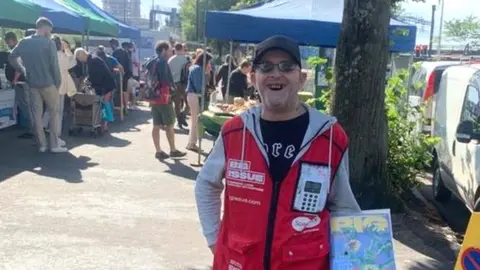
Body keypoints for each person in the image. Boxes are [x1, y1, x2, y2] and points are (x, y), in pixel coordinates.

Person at [195, 35, 361, 269]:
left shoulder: (331, 136)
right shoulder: (234, 132)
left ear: (301, 78)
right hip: (240, 262)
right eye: (266, 67)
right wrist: (214, 239)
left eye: (286, 66)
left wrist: (353, 260)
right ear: (253, 78)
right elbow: (206, 184)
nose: (276, 73)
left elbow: (343, 206)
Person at [9, 17, 65, 153]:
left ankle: (42, 145)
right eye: (49, 30)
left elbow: (11, 57)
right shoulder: (49, 43)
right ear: (44, 28)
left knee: (37, 115)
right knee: (54, 113)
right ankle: (54, 144)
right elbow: (54, 66)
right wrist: (58, 83)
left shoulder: (23, 42)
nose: (50, 33)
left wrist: (23, 70)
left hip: (32, 83)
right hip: (48, 83)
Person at [144, 41, 187, 160]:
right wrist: (174, 93)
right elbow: (166, 81)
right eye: (169, 50)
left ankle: (158, 151)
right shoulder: (162, 62)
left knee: (156, 125)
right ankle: (173, 150)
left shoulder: (151, 61)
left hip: (152, 98)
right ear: (163, 50)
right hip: (163, 98)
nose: (170, 53)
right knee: (169, 125)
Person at [42, 36, 77, 144]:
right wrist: (67, 49)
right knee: (58, 112)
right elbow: (73, 62)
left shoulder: (46, 55)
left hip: (47, 84)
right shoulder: (61, 56)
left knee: (49, 108)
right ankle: (56, 136)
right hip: (60, 86)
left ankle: (43, 127)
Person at [74, 48, 116, 131]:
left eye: (79, 59)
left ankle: (103, 124)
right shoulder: (93, 58)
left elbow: (97, 77)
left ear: (82, 55)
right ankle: (103, 124)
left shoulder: (92, 61)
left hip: (105, 86)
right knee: (104, 104)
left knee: (103, 105)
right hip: (107, 85)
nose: (80, 61)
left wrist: (91, 85)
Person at [4, 32, 34, 139]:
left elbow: (19, 68)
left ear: (13, 40)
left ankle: (32, 129)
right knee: (25, 105)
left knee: (26, 106)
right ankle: (32, 127)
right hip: (21, 82)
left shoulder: (18, 51)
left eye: (8, 41)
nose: (7, 44)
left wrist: (14, 80)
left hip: (21, 83)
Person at [185, 52, 212, 153]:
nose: (209, 63)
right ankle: (192, 143)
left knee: (194, 120)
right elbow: (199, 86)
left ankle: (191, 143)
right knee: (195, 121)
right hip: (194, 95)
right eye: (208, 61)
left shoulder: (195, 67)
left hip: (192, 95)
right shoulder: (198, 69)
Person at [168, 43, 190, 129]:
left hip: (174, 84)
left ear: (175, 49)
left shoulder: (170, 60)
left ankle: (179, 120)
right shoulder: (187, 59)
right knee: (188, 103)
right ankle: (182, 116)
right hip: (185, 84)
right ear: (182, 49)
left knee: (176, 104)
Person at [110, 39, 132, 111]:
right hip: (126, 74)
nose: (111, 46)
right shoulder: (125, 52)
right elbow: (128, 64)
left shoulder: (116, 53)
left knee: (118, 90)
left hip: (119, 74)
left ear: (114, 44)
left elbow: (115, 65)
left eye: (111, 45)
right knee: (124, 90)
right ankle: (125, 107)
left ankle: (119, 106)